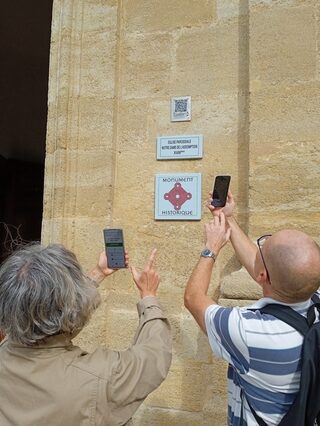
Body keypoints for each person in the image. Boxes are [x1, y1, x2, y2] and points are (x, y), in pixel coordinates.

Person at [184, 191, 320, 425]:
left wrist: (211, 248)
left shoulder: (251, 333)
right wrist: (229, 218)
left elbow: (193, 298)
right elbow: (259, 267)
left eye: (264, 246)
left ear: (263, 275)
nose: (259, 249)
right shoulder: (314, 302)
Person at [0, 243, 171, 426]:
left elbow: (47, 323)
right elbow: (153, 356)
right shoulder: (101, 378)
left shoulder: (5, 350)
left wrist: (98, 273)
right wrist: (149, 297)